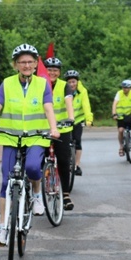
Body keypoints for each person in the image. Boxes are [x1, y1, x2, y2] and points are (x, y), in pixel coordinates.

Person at [0, 44, 60, 244]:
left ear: (36, 64)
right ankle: (4, 228)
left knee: (32, 168)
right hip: (11, 137)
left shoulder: (42, 84)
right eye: (22, 62)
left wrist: (53, 128)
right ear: (16, 65)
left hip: (36, 136)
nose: (26, 65)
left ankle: (37, 194)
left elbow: (48, 108)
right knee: (6, 182)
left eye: (30, 62)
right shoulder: (7, 83)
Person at [44, 57, 75, 210]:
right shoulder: (40, 84)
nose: (52, 72)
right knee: (37, 160)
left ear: (59, 72)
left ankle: (66, 194)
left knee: (63, 161)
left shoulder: (65, 86)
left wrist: (71, 118)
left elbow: (69, 102)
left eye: (55, 70)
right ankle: (36, 191)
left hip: (62, 129)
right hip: (43, 128)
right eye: (49, 69)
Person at [63, 69, 93, 176]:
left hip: (78, 120)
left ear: (77, 82)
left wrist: (89, 119)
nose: (71, 84)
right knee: (65, 143)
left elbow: (86, 106)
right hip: (66, 121)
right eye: (69, 82)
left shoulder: (82, 91)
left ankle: (76, 165)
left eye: (73, 82)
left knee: (77, 141)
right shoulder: (63, 90)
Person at [112, 79, 131, 157]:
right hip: (121, 115)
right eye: (123, 87)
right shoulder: (119, 93)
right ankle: (121, 147)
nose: (124, 89)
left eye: (126, 88)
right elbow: (114, 104)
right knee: (120, 130)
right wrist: (114, 114)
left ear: (130, 88)